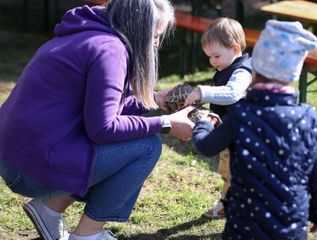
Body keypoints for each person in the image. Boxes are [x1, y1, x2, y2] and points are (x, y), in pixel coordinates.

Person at [0, 1, 196, 240]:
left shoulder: (89, 34)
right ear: (138, 27)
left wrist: (156, 99)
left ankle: (49, 209)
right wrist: (166, 123)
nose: (156, 43)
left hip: (18, 156)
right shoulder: (110, 50)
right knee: (147, 147)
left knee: (123, 145)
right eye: (154, 35)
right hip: (30, 168)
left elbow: (104, 107)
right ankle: (88, 235)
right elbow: (104, 128)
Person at [192, 20, 317, 239]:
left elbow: (206, 147)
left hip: (245, 223)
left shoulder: (240, 115)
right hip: (291, 224)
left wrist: (203, 123)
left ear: (257, 68)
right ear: (294, 72)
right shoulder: (308, 117)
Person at [183, 17, 252, 219]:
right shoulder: (226, 66)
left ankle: (232, 206)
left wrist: (202, 91)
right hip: (229, 134)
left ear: (235, 48)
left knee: (232, 173)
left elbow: (232, 94)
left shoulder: (242, 72)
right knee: (231, 173)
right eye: (209, 57)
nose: (212, 62)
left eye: (216, 56)